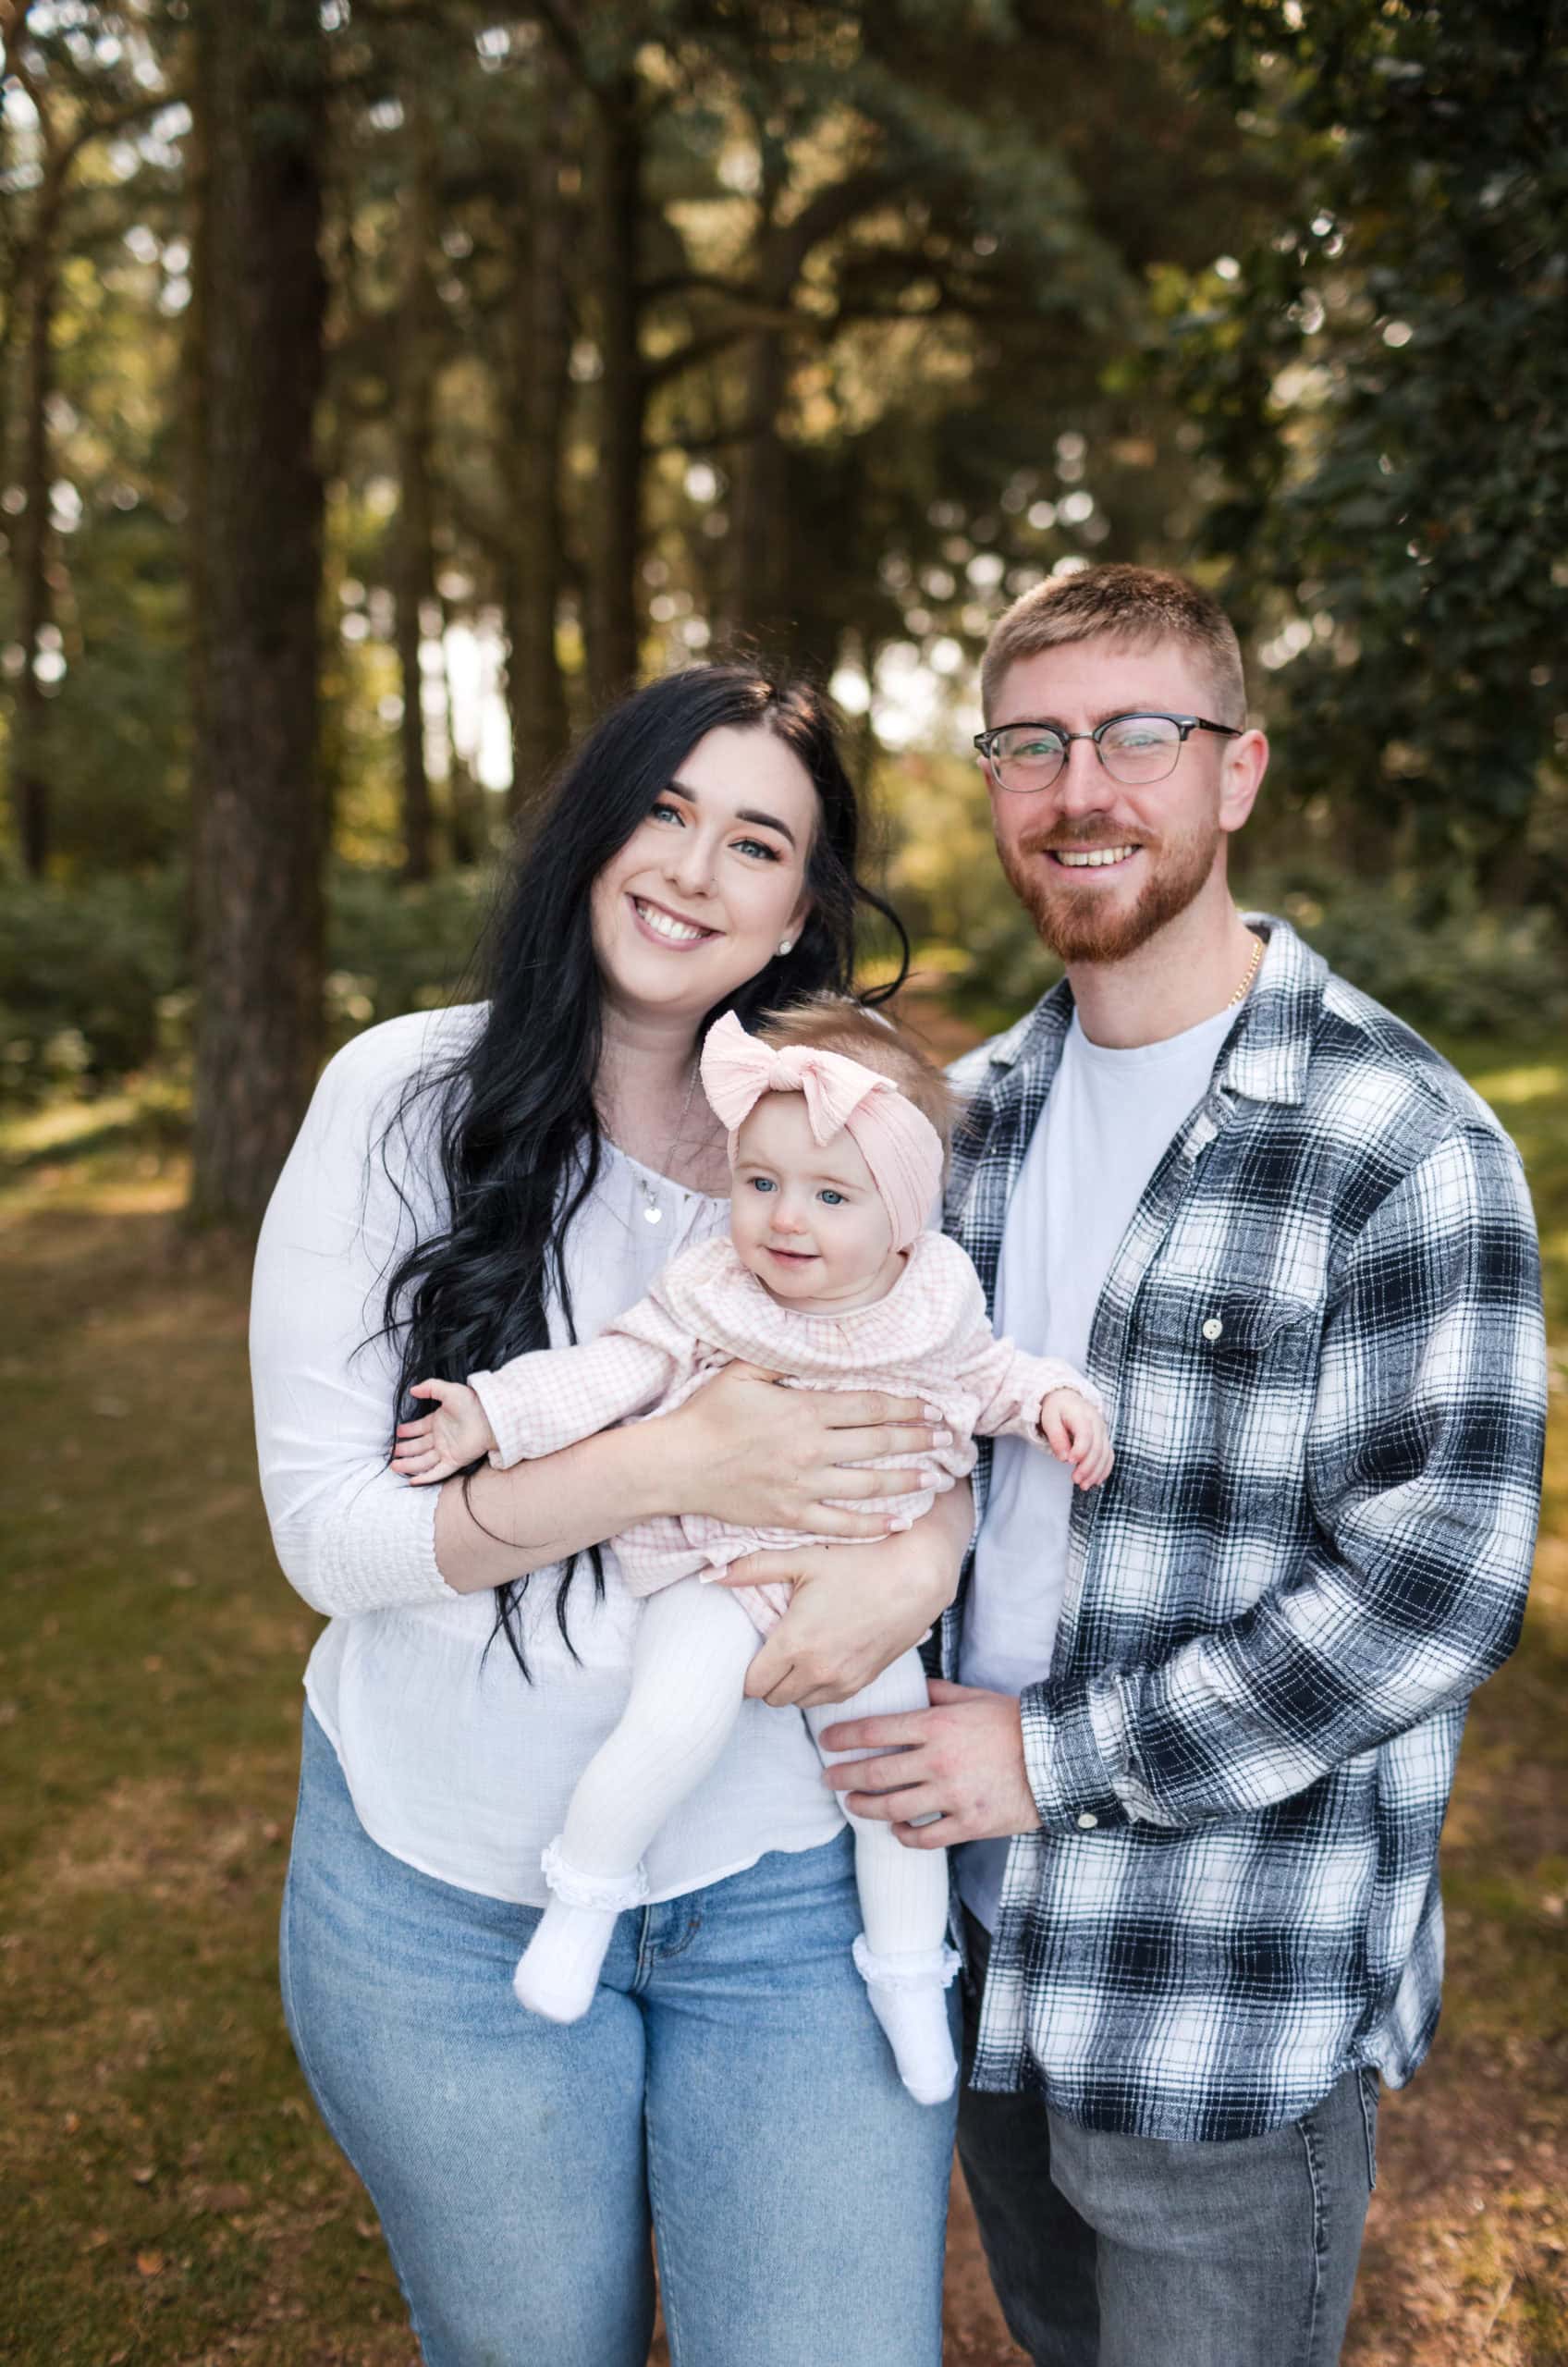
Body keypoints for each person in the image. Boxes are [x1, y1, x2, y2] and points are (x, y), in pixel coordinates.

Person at [817, 563, 1547, 2367]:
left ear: (1237, 772)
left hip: (1222, 1992)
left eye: (1142, 735)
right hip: (974, 1949)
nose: (1083, 788)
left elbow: (1429, 1587)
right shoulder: (954, 1127)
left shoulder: (1398, 1140)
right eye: (1033, 742)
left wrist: (1049, 1752)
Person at [251, 665, 975, 2367]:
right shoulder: (401, 1099)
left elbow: (952, 1395)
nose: (691, 870)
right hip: (451, 1901)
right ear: (590, 828)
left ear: (804, 902)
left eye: (755, 842)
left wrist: (921, 1556)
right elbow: (331, 1540)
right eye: (662, 811)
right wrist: (662, 1464)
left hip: (789, 1884)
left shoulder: (861, 1128)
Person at [390, 996, 1110, 2104]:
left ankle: (912, 1981)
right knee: (670, 1720)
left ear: (903, 1220)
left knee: (899, 1784)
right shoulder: (711, 1296)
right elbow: (602, 1375)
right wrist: (489, 1416)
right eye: (761, 1183)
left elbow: (993, 1377)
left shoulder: (936, 1300)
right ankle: (583, 1901)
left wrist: (1059, 1400)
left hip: (860, 1586)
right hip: (715, 1570)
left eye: (831, 1195)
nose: (785, 1219)